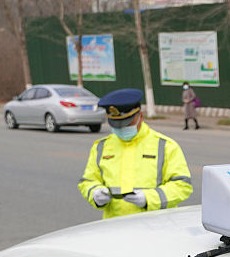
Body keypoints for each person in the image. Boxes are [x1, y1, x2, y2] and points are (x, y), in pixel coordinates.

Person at [78, 88, 193, 219]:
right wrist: (95, 193)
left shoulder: (165, 146)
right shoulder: (101, 147)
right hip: (114, 226)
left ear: (140, 116)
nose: (122, 128)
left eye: (127, 124)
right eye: (117, 125)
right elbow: (88, 180)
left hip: (155, 226)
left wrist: (148, 198)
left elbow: (182, 186)